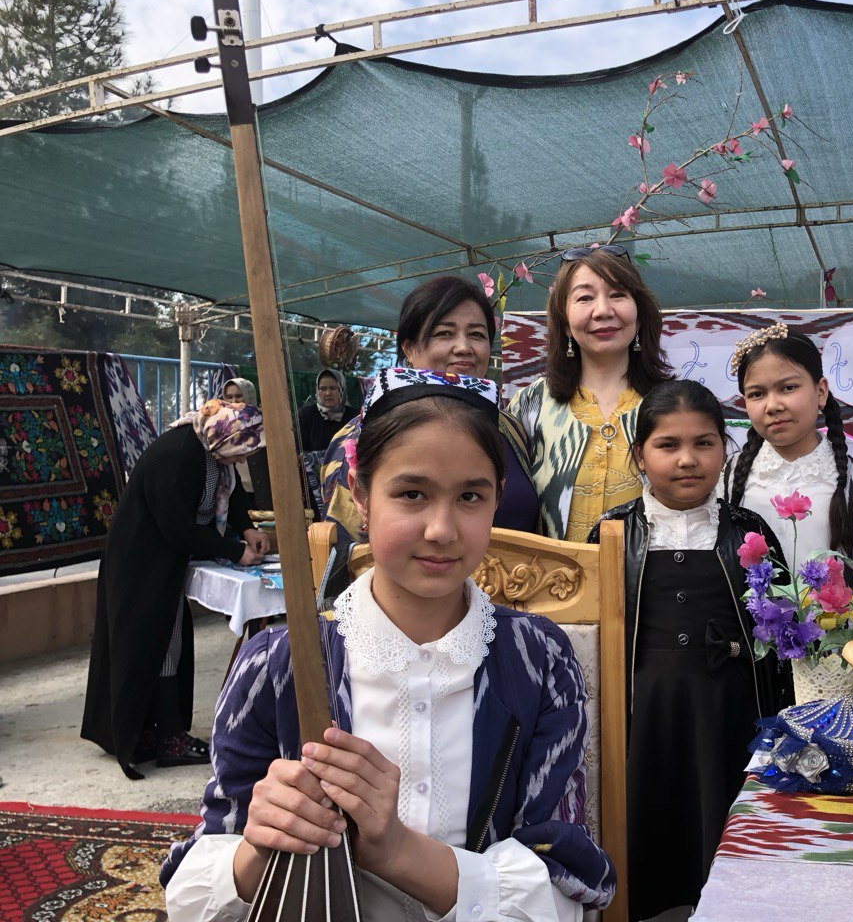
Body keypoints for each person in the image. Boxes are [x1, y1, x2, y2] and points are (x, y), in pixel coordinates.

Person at [161, 369, 615, 921]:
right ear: (359, 495)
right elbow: (192, 893)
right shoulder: (277, 665)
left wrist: (396, 850)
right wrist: (260, 847)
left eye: (470, 495)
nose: (441, 528)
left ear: (497, 499)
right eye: (411, 494)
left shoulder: (538, 661)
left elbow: (565, 892)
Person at [587, 381, 789, 921]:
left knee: (723, 836)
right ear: (639, 455)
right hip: (638, 721)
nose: (687, 460)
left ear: (725, 448)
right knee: (642, 837)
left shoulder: (749, 532)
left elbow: (780, 640)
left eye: (703, 444)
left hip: (727, 719)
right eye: (667, 445)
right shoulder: (610, 533)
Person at [81, 399, 268, 780]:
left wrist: (245, 527)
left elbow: (227, 494)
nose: (237, 461)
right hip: (140, 561)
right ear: (223, 438)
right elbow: (176, 526)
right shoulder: (179, 454)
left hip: (165, 560)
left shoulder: (210, 450)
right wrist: (234, 551)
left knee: (169, 641)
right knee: (150, 643)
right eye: (237, 453)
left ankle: (164, 732)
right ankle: (159, 737)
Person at [321, 275, 538, 544]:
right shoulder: (361, 435)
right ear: (409, 348)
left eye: (477, 335)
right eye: (444, 333)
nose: (464, 347)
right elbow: (343, 547)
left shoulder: (510, 428)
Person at [508, 245, 673, 541]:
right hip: (552, 584)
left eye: (618, 294)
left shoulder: (673, 404)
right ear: (566, 323)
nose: (603, 311)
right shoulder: (529, 406)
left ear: (639, 312)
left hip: (650, 585)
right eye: (585, 297)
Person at [722, 324, 853, 571]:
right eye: (756, 394)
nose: (772, 406)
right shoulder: (727, 477)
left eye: (788, 388)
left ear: (821, 391)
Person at [295, 368, 358, 452]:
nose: (328, 393)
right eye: (323, 389)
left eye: (332, 388)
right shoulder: (305, 415)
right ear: (317, 391)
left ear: (342, 390)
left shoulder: (354, 417)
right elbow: (298, 453)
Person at [221, 378, 260, 504]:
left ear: (249, 396)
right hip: (232, 494)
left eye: (239, 396)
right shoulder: (220, 427)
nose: (233, 402)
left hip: (263, 493)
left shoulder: (262, 424)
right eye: (229, 397)